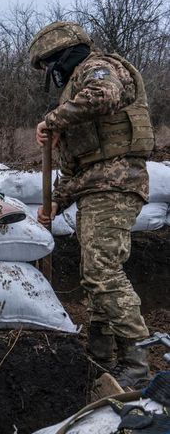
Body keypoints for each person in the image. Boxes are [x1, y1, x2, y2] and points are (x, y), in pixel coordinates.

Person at [29, 21, 155, 389]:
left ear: (60, 58)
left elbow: (106, 95)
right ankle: (102, 356)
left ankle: (137, 361)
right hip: (95, 189)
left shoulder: (97, 69)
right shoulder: (74, 91)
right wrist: (55, 202)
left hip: (116, 187)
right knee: (95, 273)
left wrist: (51, 120)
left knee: (102, 272)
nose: (50, 76)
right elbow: (81, 166)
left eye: (49, 68)